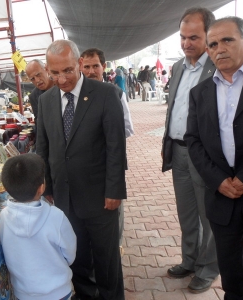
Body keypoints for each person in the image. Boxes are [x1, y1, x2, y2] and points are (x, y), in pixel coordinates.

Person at [36, 39, 126, 300]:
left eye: (67, 71)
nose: (61, 79)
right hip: (64, 198)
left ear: (78, 64)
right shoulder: (46, 100)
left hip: (100, 197)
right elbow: (43, 148)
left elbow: (116, 148)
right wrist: (47, 187)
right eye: (54, 73)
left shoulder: (106, 94)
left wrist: (115, 191)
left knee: (106, 260)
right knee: (77, 258)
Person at [184, 16, 243, 299]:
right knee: (231, 275)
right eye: (213, 44)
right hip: (222, 199)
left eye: (227, 40)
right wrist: (218, 180)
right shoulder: (200, 93)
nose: (219, 48)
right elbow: (193, 140)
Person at [161, 7, 218, 294]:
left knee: (210, 216)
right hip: (178, 152)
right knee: (186, 213)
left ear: (210, 35)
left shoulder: (219, 66)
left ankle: (208, 269)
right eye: (183, 37)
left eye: (194, 37)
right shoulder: (178, 67)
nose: (186, 43)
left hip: (205, 156)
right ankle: (190, 260)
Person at [80, 47, 134, 257]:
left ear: (104, 67)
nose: (91, 71)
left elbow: (127, 128)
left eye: (96, 66)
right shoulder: (76, 96)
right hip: (87, 166)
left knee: (113, 204)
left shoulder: (115, 93)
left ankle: (115, 246)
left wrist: (104, 137)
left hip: (109, 162)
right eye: (87, 67)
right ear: (80, 67)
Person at [0, 153, 77, 300]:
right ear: (41, 188)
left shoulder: (4, 217)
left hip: (23, 294)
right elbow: (70, 254)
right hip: (58, 292)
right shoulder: (56, 216)